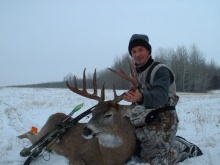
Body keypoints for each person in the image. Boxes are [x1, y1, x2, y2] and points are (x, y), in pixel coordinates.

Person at [123, 34, 203, 165]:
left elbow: (161, 96)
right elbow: (139, 101)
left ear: (148, 51)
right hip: (144, 117)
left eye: (140, 50)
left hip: (164, 118)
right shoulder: (137, 74)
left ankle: (184, 147)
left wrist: (141, 97)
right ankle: (167, 142)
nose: (137, 54)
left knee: (153, 160)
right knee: (130, 147)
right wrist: (134, 99)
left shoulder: (160, 70)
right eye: (133, 51)